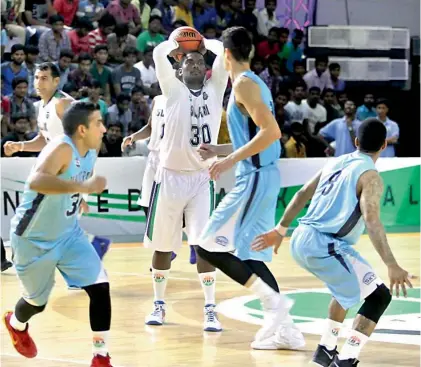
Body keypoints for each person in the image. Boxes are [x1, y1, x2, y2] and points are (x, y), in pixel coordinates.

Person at [252, 118, 413, 367]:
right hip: (324, 244)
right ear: (384, 145)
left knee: (345, 287)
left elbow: (301, 194)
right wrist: (391, 264)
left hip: (301, 238)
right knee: (379, 296)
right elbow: (371, 220)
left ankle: (325, 351)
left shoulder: (336, 161)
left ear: (356, 142)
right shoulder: (370, 176)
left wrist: (280, 229)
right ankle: (346, 360)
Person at [195, 26, 305, 350]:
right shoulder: (255, 82)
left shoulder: (243, 84)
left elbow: (271, 133)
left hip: (253, 177)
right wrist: (220, 150)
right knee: (251, 255)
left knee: (206, 245)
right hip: (260, 174)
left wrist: (229, 162)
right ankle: (288, 330)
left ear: (226, 55)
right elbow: (255, 137)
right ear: (251, 52)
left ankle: (275, 306)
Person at [3, 102, 114, 367]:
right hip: (33, 238)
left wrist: (80, 196)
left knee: (100, 287)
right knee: (36, 303)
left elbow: (81, 176)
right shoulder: (61, 148)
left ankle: (101, 357)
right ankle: (15, 324)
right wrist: (80, 185)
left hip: (69, 234)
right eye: (98, 123)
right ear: (81, 129)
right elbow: (36, 182)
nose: (104, 128)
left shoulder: (92, 147)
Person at [142, 28, 229, 331]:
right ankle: (158, 305)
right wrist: (176, 42)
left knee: (205, 246)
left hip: (201, 180)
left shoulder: (216, 89)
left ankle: (210, 308)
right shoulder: (172, 92)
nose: (193, 64)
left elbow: (224, 52)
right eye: (186, 61)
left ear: (206, 69)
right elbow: (157, 54)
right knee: (163, 246)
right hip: (169, 178)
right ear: (177, 68)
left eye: (198, 61)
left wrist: (205, 44)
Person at [3, 63, 111, 286]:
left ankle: (88, 262)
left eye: (44, 78)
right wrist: (21, 146)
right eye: (37, 77)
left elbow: (88, 138)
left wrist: (83, 177)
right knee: (59, 223)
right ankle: (90, 253)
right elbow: (46, 139)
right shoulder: (41, 106)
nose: (39, 82)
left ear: (56, 81)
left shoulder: (64, 104)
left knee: (61, 225)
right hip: (59, 168)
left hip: (72, 169)